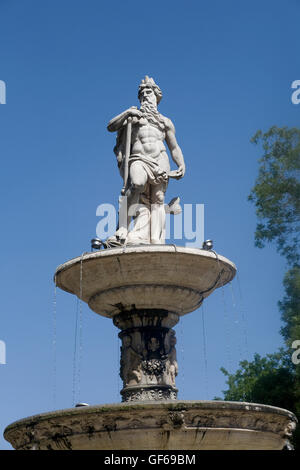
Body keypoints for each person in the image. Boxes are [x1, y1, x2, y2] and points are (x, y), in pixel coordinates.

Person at [106, 76, 185, 245]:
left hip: (160, 159)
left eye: (149, 92)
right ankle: (123, 227)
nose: (145, 96)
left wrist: (181, 164)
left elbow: (174, 147)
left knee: (158, 198)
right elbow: (110, 126)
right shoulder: (134, 117)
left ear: (157, 95)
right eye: (142, 93)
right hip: (138, 158)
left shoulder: (165, 122)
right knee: (137, 183)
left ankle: (156, 239)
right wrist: (127, 112)